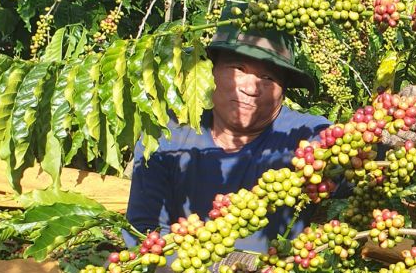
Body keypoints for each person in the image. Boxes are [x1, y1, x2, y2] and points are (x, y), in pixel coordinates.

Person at [126, 16, 329, 260]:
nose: (250, 88)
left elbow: (346, 147)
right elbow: (144, 230)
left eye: (268, 78)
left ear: (283, 92)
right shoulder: (168, 135)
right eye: (238, 69)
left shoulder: (300, 137)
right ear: (210, 72)